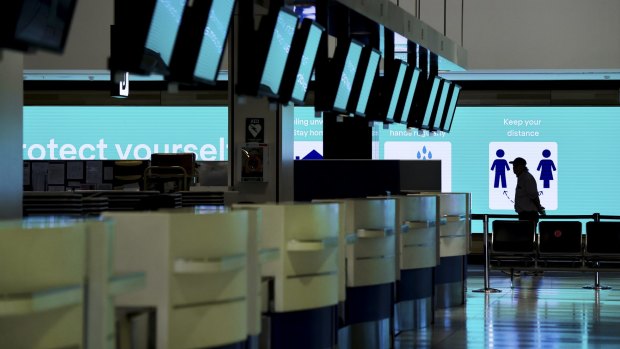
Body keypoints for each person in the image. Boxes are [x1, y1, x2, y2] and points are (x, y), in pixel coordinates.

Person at [509, 157, 546, 277]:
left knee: (526, 242)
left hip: (529, 215)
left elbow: (533, 195)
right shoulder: (522, 178)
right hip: (524, 214)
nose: (513, 169)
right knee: (526, 242)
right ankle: (531, 267)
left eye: (515, 166)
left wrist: (539, 208)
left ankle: (530, 267)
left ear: (521, 166)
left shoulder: (526, 178)